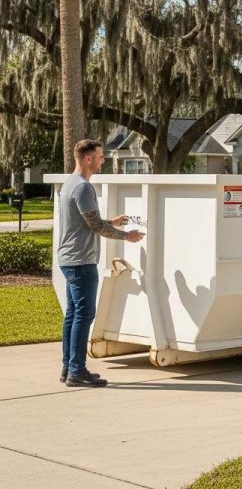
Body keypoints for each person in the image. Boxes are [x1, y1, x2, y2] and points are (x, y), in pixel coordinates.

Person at [58, 139, 145, 387]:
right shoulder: (83, 188)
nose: (102, 160)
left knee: (74, 314)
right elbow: (95, 227)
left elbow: (87, 221)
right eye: (100, 156)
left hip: (69, 258)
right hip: (81, 261)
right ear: (88, 159)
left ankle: (68, 367)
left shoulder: (70, 184)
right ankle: (76, 370)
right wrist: (127, 236)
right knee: (84, 314)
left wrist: (112, 222)